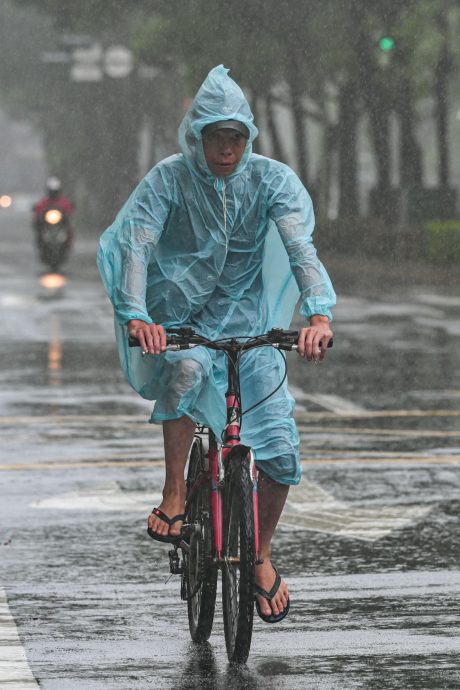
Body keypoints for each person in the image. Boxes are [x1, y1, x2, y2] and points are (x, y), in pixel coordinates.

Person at [97, 65, 335, 623]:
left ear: (248, 139)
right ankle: (176, 491)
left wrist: (318, 314)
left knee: (279, 449)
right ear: (196, 137)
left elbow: (301, 248)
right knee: (183, 373)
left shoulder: (271, 181)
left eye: (236, 138)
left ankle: (261, 554)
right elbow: (137, 244)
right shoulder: (169, 179)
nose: (225, 149)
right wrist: (138, 316)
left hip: (250, 329)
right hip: (182, 323)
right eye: (215, 137)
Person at [33, 176, 75, 248]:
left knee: (69, 227)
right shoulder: (44, 202)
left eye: (55, 192)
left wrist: (70, 210)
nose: (53, 194)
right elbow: (38, 208)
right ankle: (40, 242)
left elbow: (69, 208)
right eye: (51, 192)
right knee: (38, 225)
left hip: (60, 224)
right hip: (47, 224)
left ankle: (68, 243)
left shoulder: (63, 201)